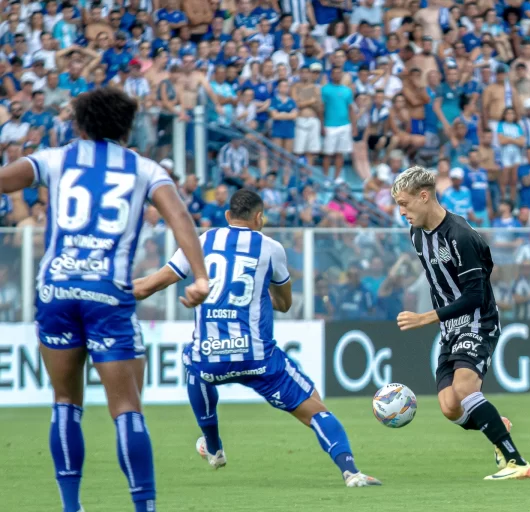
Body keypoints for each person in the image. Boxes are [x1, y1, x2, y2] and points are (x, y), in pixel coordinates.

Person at [0, 88, 209, 512]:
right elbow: (180, 218)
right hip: (106, 292)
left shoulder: (56, 159)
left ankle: (71, 507)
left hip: (56, 290)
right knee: (127, 407)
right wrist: (200, 275)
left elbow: (6, 178)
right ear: (127, 128)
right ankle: (143, 508)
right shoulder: (145, 169)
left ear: (78, 124)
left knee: (65, 401)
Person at [131, 189, 381, 488]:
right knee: (316, 410)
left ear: (226, 217)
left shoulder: (201, 241)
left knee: (194, 364)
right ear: (259, 217)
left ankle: (213, 446)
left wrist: (107, 290)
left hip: (211, 357)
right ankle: (351, 472)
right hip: (258, 358)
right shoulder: (271, 248)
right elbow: (285, 303)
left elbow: (147, 287)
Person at [391, 166, 530, 481]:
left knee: (465, 387)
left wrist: (425, 317)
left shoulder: (462, 235)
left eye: (405, 203)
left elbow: (474, 295)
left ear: (424, 196)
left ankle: (517, 462)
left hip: (477, 321)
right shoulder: (416, 234)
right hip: (449, 329)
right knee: (451, 407)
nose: (401, 212)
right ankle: (497, 423)